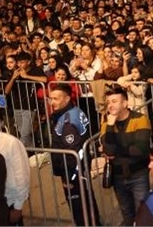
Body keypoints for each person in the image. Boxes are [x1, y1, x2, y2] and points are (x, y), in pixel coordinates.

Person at [48, 83, 102, 226]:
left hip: (74, 172)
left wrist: (68, 177)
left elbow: (72, 152)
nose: (52, 102)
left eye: (56, 98)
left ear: (66, 99)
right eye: (51, 99)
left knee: (79, 207)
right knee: (86, 201)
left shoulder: (68, 121)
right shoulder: (73, 111)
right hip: (80, 169)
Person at [101, 85, 152, 226]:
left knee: (144, 213)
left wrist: (115, 149)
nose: (110, 105)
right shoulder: (106, 124)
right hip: (118, 177)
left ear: (125, 103)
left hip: (138, 175)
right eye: (108, 102)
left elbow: (141, 150)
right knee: (127, 215)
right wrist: (111, 126)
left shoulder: (140, 119)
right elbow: (109, 151)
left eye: (114, 101)